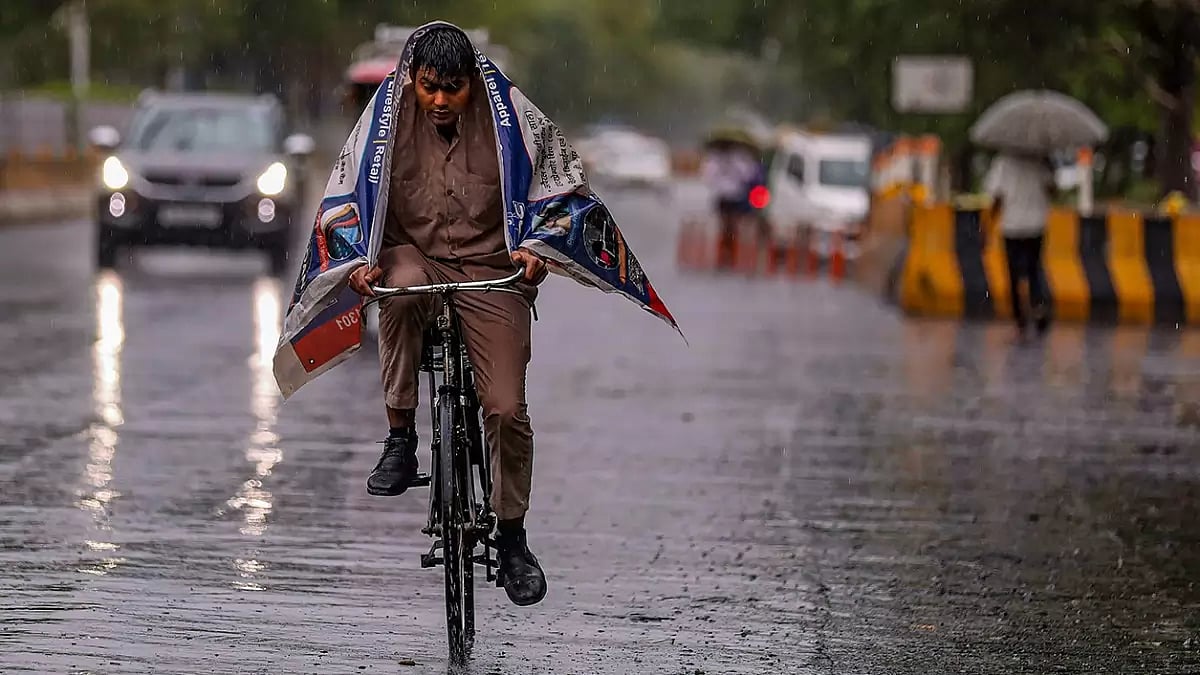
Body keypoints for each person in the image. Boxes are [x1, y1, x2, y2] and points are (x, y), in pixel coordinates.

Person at [345, 26, 549, 607]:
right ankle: (401, 437)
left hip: (493, 272)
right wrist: (361, 263)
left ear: (472, 88)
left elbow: (556, 196)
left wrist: (537, 253)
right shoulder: (382, 128)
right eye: (428, 88)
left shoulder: (514, 123)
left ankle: (512, 538)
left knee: (507, 410)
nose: (438, 101)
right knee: (398, 289)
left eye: (452, 90)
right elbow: (351, 204)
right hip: (418, 261)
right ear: (412, 82)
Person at [983, 150, 1057, 339]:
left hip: (1012, 225)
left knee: (1013, 275)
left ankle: (1020, 320)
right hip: (1036, 224)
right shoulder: (1040, 160)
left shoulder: (1003, 163)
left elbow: (997, 197)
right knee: (1034, 270)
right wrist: (1050, 167)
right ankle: (1038, 306)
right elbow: (1052, 191)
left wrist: (988, 224)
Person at [701, 139, 763, 267]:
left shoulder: (720, 157)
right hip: (731, 196)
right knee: (730, 226)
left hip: (729, 196)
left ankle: (728, 253)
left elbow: (708, 177)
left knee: (728, 226)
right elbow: (748, 176)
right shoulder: (734, 157)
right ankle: (728, 253)